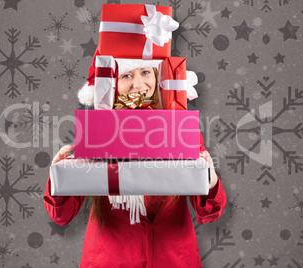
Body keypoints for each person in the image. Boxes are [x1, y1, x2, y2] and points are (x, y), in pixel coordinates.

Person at [43, 66, 227, 267]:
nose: (138, 84)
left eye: (146, 72)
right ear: (113, 83)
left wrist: (211, 184)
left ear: (158, 77)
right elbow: (61, 215)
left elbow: (209, 212)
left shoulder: (179, 129)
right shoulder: (98, 132)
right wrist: (59, 179)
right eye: (127, 75)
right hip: (111, 258)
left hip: (173, 257)